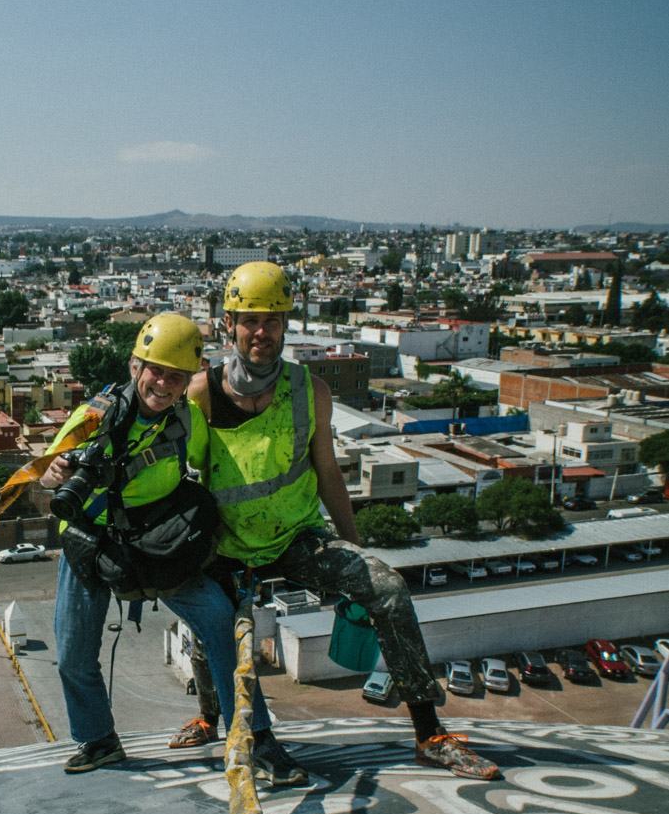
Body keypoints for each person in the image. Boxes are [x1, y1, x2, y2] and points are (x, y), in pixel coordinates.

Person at [187, 261, 499, 782]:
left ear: (287, 323)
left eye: (273, 319)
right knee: (209, 630)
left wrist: (355, 556)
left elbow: (328, 471)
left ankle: (430, 734)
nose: (261, 331)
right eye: (250, 320)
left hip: (294, 536)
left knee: (388, 589)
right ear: (230, 324)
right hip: (227, 545)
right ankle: (206, 715)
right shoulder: (203, 395)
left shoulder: (310, 391)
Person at [42, 312, 277, 774]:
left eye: (176, 376)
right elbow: (53, 473)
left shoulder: (189, 422)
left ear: (188, 380)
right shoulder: (92, 417)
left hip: (156, 544)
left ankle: (251, 734)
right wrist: (53, 475)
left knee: (221, 625)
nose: (164, 384)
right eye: (156, 371)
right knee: (72, 653)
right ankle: (98, 740)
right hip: (91, 543)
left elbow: (210, 477)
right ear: (135, 366)